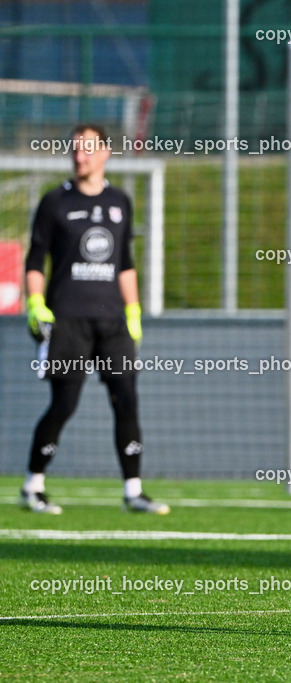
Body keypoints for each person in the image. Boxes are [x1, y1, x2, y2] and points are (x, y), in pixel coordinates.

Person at [20, 123, 169, 515]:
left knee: (127, 401)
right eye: (75, 149)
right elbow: (35, 260)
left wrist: (134, 312)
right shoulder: (55, 202)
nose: (79, 156)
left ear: (105, 153)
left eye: (88, 149)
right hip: (68, 320)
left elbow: (124, 264)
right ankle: (33, 484)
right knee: (64, 403)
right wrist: (36, 304)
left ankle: (133, 490)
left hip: (113, 323)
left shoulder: (120, 201)